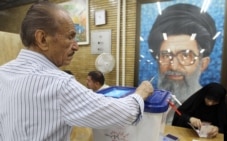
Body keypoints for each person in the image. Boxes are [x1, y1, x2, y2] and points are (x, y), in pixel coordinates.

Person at [0, 1, 154, 141]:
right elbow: (123, 114)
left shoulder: (2, 73)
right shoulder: (59, 84)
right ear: (42, 39)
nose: (76, 46)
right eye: (70, 37)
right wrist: (140, 93)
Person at [147, 3, 217, 124]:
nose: (173, 66)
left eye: (185, 55)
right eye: (166, 55)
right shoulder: (151, 100)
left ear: (204, 64)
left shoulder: (210, 106)